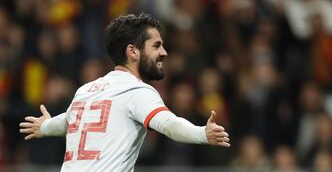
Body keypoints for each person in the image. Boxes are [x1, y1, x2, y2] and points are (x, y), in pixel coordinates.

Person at [19, 13, 230, 172]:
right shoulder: (137, 91)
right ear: (132, 51)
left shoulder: (86, 91)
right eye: (156, 46)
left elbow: (68, 121)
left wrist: (45, 126)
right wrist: (201, 133)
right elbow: (169, 124)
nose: (164, 53)